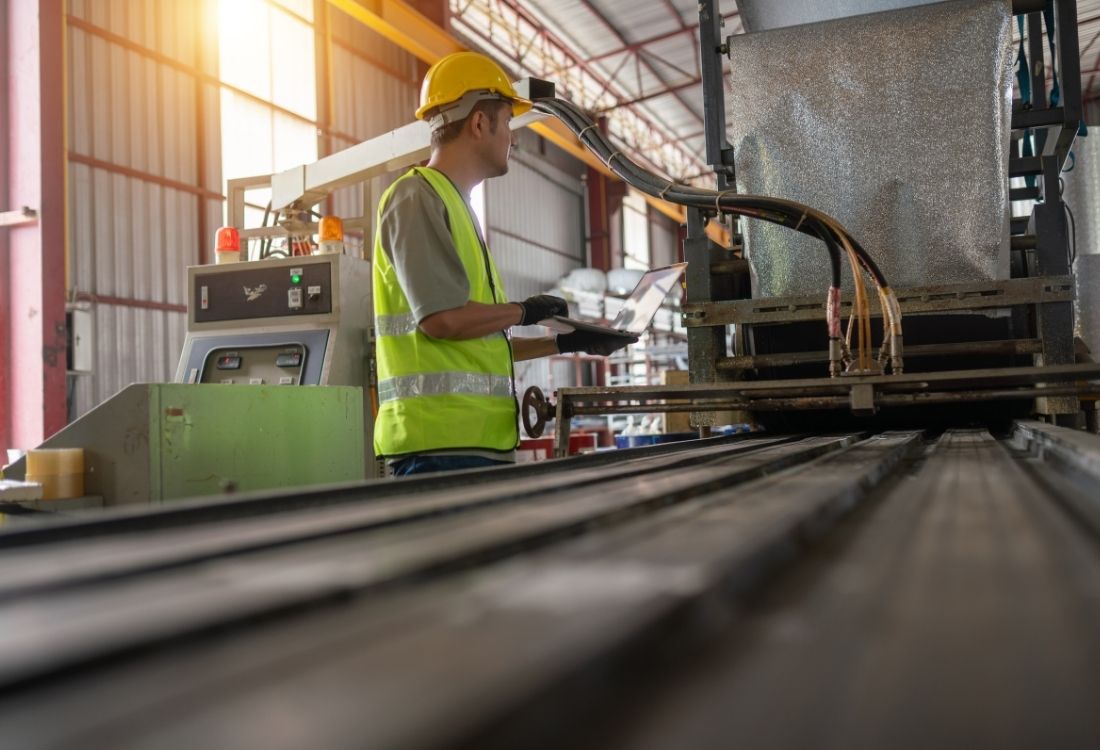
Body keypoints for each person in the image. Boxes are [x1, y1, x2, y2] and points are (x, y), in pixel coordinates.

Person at [372, 51, 635, 477]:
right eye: (507, 122)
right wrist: (526, 311)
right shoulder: (416, 197)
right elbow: (442, 321)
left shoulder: (457, 208)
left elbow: (479, 347)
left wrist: (567, 343)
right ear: (479, 123)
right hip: (439, 447)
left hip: (473, 442)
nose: (512, 138)